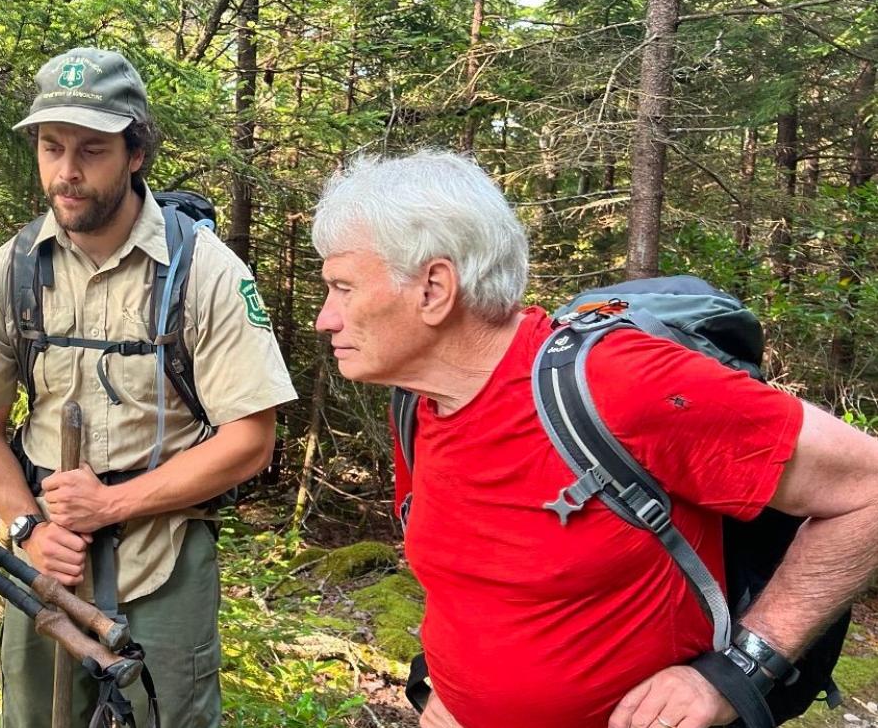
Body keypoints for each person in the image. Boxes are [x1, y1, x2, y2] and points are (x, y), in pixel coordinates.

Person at [311, 149, 878, 728]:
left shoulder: (621, 383)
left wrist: (739, 672)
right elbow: (478, 574)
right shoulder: (417, 401)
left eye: (343, 287)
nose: (325, 318)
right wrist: (440, 683)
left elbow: (869, 489)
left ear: (434, 288)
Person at [0, 47, 297, 728]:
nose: (66, 173)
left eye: (92, 150)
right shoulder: (11, 271)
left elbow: (252, 439)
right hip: (45, 565)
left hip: (162, 562)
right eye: (51, 148)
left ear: (135, 152)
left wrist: (113, 503)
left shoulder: (204, 271)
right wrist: (26, 529)